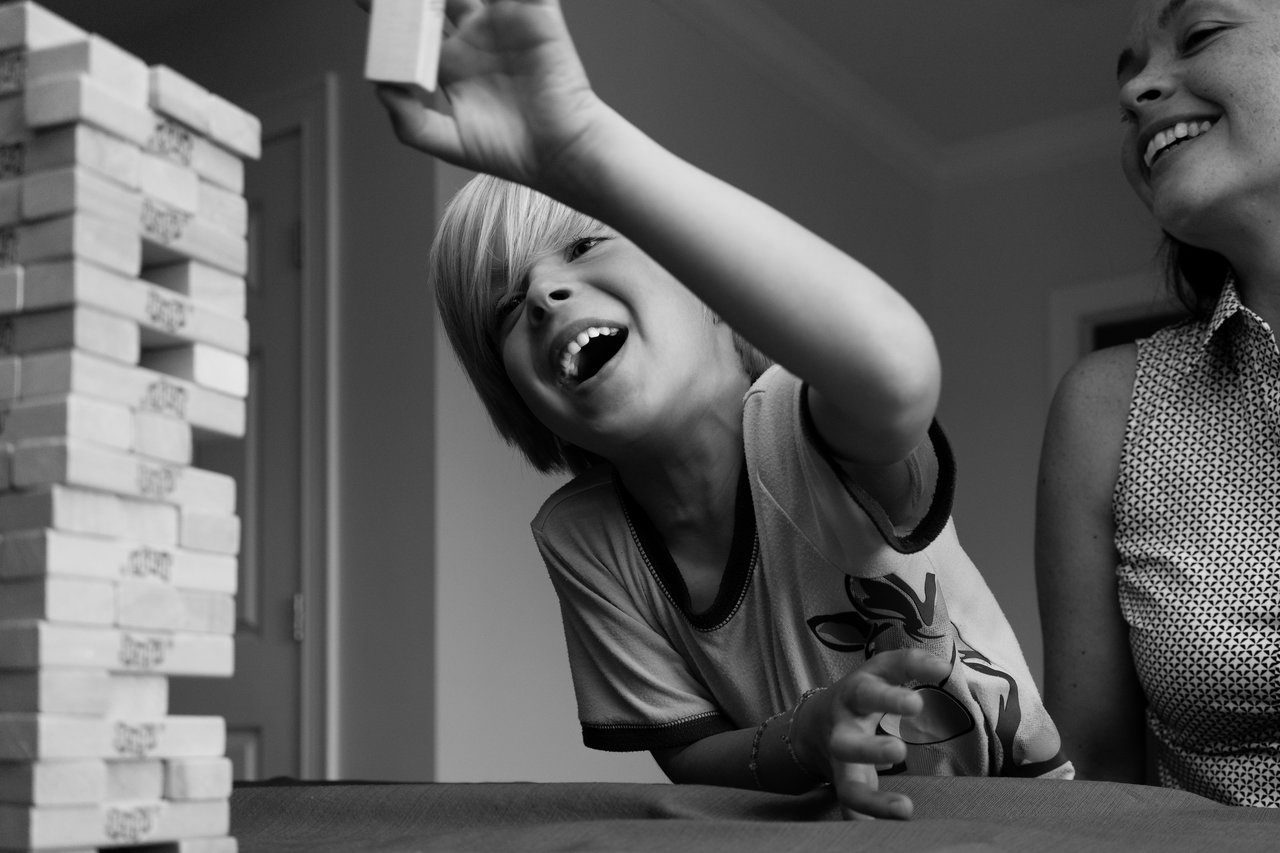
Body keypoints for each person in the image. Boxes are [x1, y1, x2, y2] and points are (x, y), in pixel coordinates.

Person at [371, 0, 1071, 819]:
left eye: (585, 247)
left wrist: (581, 144)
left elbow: (898, 370)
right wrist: (807, 737)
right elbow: (688, 749)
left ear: (712, 289)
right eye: (503, 308)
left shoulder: (806, 423)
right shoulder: (583, 538)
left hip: (1013, 816)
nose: (544, 293)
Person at [1036, 0, 1280, 808]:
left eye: (1201, 35)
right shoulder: (1106, 406)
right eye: (1128, 76)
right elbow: (1093, 773)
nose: (1139, 89)